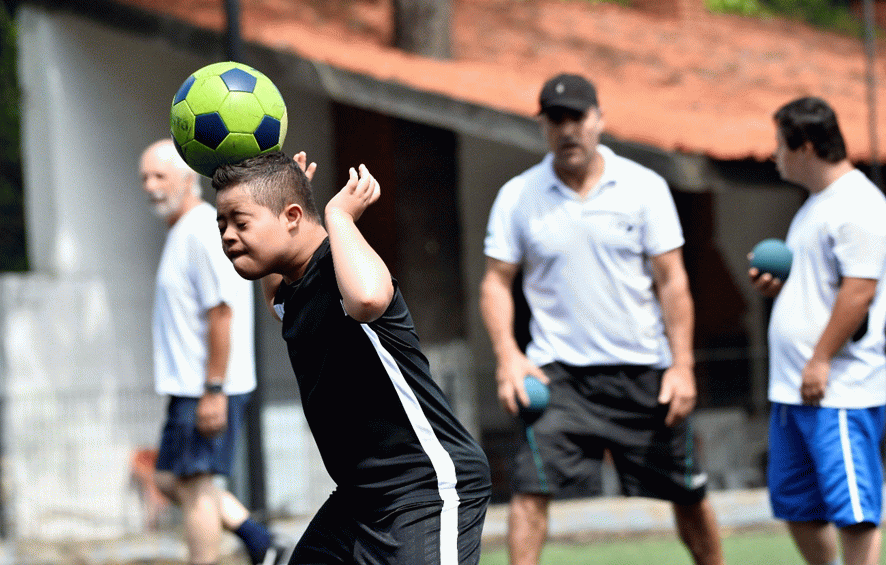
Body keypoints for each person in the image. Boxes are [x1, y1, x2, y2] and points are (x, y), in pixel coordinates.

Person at [480, 73, 725, 565]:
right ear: (545, 127)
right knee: (530, 493)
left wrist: (682, 366)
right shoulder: (518, 196)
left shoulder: (644, 188)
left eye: (578, 117)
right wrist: (508, 356)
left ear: (600, 120)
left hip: (645, 373)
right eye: (556, 120)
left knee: (689, 497)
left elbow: (673, 282)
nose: (568, 129)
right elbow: (495, 282)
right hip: (558, 380)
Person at [212, 151, 492, 565]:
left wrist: (337, 216)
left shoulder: (341, 269)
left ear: (291, 217)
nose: (228, 236)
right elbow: (275, 297)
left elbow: (367, 298)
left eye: (240, 221)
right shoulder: (292, 291)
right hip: (360, 499)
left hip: (424, 489)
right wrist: (288, 194)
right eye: (222, 225)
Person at [139, 139, 292, 565]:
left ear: (187, 178)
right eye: (144, 178)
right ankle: (262, 541)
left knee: (195, 487)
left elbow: (222, 313)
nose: (150, 186)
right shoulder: (182, 231)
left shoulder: (203, 229)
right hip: (190, 385)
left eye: (159, 176)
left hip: (204, 385)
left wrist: (213, 388)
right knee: (171, 479)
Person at [749, 97, 886, 565]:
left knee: (855, 512)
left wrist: (821, 358)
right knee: (796, 506)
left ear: (804, 146)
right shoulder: (813, 207)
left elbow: (858, 292)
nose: (774, 155)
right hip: (793, 388)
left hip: (839, 391)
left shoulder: (858, 204)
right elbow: (820, 289)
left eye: (780, 145)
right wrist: (779, 289)